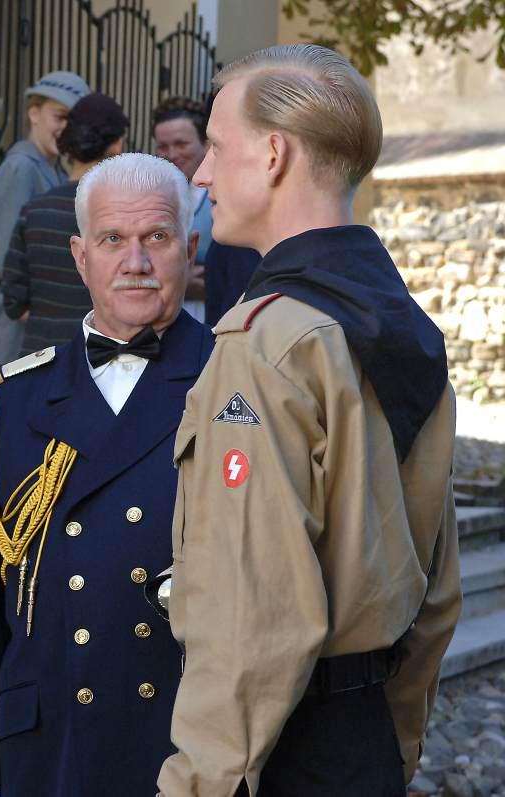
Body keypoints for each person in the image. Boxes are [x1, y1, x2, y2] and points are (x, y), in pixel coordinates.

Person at [158, 44, 460, 796]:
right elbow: (438, 591)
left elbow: (250, 621)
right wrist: (391, 744)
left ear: (272, 155)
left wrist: (198, 783)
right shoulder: (405, 325)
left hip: (281, 755)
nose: (199, 174)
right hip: (362, 745)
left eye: (216, 149)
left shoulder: (269, 339)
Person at [0, 153, 213, 797]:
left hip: (186, 752)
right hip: (46, 754)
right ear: (80, 256)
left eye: (157, 239)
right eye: (113, 240)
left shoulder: (235, 386)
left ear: (189, 249)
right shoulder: (9, 403)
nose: (135, 263)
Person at [0, 70, 90, 369]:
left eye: (73, 121)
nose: (66, 128)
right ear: (34, 113)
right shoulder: (21, 168)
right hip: (21, 328)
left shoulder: (56, 171)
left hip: (44, 323)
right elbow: (10, 262)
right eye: (60, 116)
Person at [0, 92, 129, 353]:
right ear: (116, 145)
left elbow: (13, 302)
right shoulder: (123, 216)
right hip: (101, 358)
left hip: (39, 360)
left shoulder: (35, 210)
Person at [152, 97, 211, 321]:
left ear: (205, 143)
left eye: (181, 144)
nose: (172, 154)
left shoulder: (222, 195)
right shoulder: (153, 195)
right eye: (163, 146)